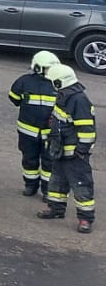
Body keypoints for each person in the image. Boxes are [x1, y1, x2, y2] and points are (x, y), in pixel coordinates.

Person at [40, 62, 96, 233]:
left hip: (75, 154)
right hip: (60, 150)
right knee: (57, 182)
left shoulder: (78, 100)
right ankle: (56, 209)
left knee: (81, 185)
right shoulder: (64, 95)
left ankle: (85, 219)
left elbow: (87, 129)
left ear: (59, 82)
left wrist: (81, 151)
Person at [10, 51, 60, 197]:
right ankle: (30, 185)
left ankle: (47, 190)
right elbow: (14, 97)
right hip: (27, 132)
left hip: (50, 133)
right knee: (29, 160)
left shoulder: (59, 83)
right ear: (38, 67)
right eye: (48, 68)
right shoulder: (24, 81)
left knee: (49, 163)